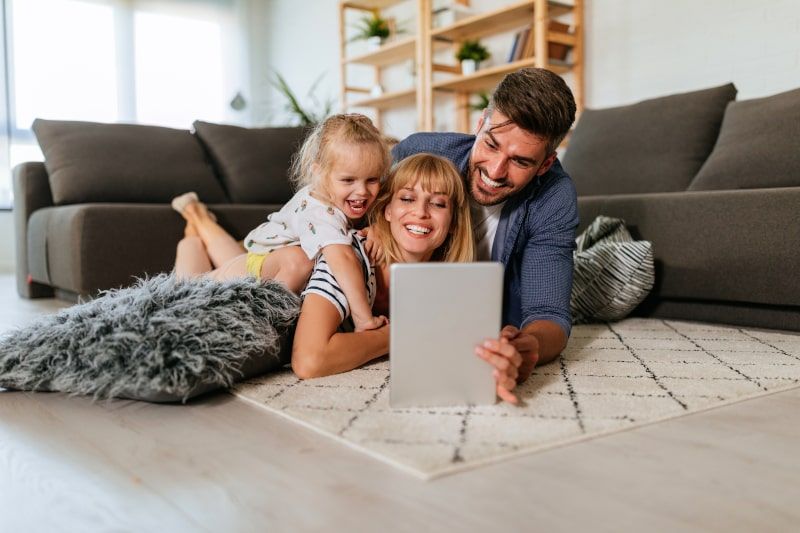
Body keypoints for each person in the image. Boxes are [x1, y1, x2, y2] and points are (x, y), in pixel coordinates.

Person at [174, 153, 526, 403]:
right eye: (407, 198)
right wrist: (402, 333)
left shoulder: (447, 283)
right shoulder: (350, 257)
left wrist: (500, 356)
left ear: (452, 221)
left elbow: (458, 347)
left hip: (266, 269)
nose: (421, 212)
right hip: (265, 274)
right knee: (193, 280)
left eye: (438, 203)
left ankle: (200, 218)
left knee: (229, 252)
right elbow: (310, 360)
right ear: (386, 210)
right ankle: (193, 221)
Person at [388, 67, 579, 385]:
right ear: (480, 125)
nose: (495, 171)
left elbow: (549, 313)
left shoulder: (554, 195)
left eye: (520, 161)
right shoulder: (418, 154)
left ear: (545, 164)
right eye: (491, 145)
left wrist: (526, 347)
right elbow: (340, 198)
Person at [174, 113, 391, 332]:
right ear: (319, 173)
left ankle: (196, 215)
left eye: (372, 179)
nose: (362, 191)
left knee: (250, 260)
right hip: (255, 270)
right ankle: (192, 223)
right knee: (191, 287)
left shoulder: (341, 195)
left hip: (259, 259)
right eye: (348, 180)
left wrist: (378, 228)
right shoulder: (320, 212)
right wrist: (364, 319)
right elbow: (343, 258)